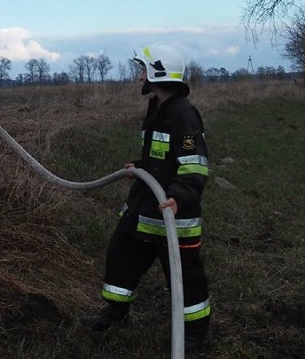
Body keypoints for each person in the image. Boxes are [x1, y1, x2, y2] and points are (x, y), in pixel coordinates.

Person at [82, 44, 211, 348]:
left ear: (158, 73)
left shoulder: (183, 114)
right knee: (120, 254)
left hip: (174, 216)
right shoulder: (158, 108)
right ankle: (116, 311)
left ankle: (194, 332)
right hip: (145, 209)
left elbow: (194, 167)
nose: (140, 76)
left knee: (186, 278)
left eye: (144, 70)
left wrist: (178, 196)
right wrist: (139, 167)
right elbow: (162, 158)